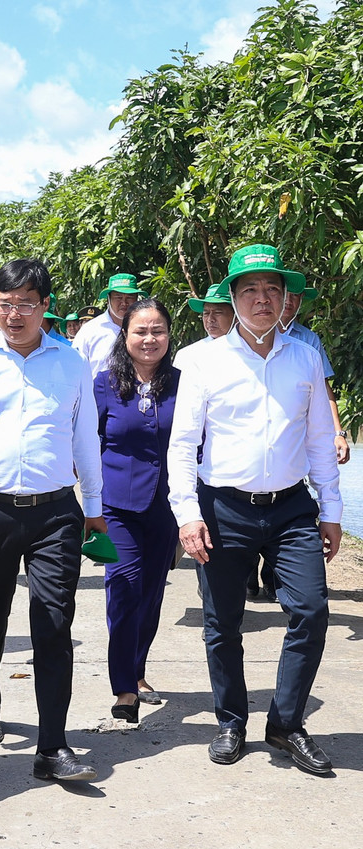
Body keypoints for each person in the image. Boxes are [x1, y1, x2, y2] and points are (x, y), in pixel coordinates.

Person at [169, 244, 341, 774]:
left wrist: (330, 508)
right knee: (223, 622)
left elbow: (318, 442)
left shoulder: (306, 357)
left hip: (291, 509)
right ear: (232, 298)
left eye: (272, 289)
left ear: (286, 297)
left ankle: (286, 724)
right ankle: (230, 720)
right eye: (250, 290)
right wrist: (187, 514)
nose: (262, 299)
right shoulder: (202, 360)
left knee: (310, 611)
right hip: (223, 508)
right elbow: (181, 445)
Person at [0, 258, 105, 782]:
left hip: (56, 510)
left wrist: (95, 509)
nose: (14, 314)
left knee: (54, 623)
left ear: (45, 307)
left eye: (26, 304)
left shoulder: (70, 362)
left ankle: (53, 746)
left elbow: (86, 437)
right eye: (5, 303)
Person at [93, 298, 181, 723]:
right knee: (124, 589)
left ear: (169, 335)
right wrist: (91, 507)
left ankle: (139, 668)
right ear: (124, 336)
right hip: (118, 506)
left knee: (151, 593)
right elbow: (86, 447)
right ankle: (124, 687)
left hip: (167, 506)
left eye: (158, 331)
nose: (149, 339)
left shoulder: (184, 384)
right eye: (140, 331)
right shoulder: (104, 383)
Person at [279, 284, 350, 466]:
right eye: (285, 294)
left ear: (301, 301)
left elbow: (322, 388)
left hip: (298, 430)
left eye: (296, 296)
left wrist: (338, 433)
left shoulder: (309, 339)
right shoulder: (250, 334)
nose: (289, 300)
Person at [74, 273, 148, 376]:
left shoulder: (147, 329)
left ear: (136, 299)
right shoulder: (89, 331)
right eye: (118, 297)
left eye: (129, 297)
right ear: (108, 299)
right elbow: (74, 368)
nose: (124, 303)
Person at [174, 282, 233, 370]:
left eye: (217, 312)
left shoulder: (252, 350)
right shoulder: (187, 356)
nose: (210, 319)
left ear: (237, 315)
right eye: (206, 313)